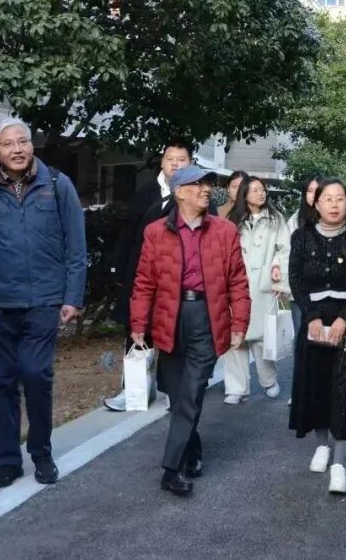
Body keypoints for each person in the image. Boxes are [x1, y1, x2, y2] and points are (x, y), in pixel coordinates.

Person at [0, 118, 87, 488]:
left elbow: (76, 246)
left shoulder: (57, 184)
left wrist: (72, 296)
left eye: (23, 141)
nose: (17, 149)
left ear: (32, 145)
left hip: (43, 300)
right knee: (1, 383)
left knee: (36, 374)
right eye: (8, 143)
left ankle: (41, 453)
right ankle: (9, 460)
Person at [130, 166, 251, 496]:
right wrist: (138, 323)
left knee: (193, 390)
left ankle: (171, 469)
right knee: (177, 394)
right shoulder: (156, 232)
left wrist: (239, 322)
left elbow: (238, 282)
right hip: (168, 317)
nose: (206, 189)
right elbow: (144, 282)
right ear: (179, 192)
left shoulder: (225, 231)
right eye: (197, 184)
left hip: (207, 317)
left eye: (207, 184)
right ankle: (192, 451)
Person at [105, 140, 215, 411]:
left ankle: (172, 390)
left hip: (181, 281)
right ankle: (134, 390)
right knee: (137, 330)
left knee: (175, 333)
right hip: (143, 273)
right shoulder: (146, 193)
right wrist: (118, 268)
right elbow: (128, 234)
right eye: (170, 159)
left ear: (191, 163)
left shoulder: (201, 196)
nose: (175, 163)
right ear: (162, 162)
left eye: (181, 159)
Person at [289, 179, 346, 494]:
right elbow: (296, 279)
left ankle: (339, 464)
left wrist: (344, 319)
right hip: (313, 321)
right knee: (317, 386)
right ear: (316, 203)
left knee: (345, 388)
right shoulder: (301, 237)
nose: (334, 204)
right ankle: (321, 444)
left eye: (340, 198)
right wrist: (311, 315)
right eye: (327, 198)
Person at [223, 176, 291, 404]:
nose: (261, 193)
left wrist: (278, 273)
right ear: (244, 194)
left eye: (262, 190)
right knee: (235, 338)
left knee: (262, 337)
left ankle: (268, 380)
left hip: (264, 284)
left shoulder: (275, 219)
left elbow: (285, 249)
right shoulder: (233, 220)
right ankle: (237, 388)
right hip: (236, 284)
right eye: (255, 190)